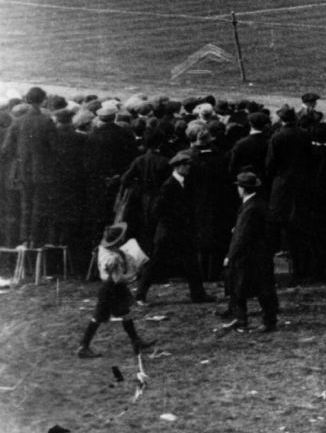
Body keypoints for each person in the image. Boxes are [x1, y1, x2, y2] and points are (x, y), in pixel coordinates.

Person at [134, 151, 208, 304]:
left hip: (179, 231)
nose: (189, 168)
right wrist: (172, 223)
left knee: (192, 262)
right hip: (168, 233)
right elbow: (158, 210)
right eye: (186, 165)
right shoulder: (169, 185)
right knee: (155, 264)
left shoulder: (183, 182)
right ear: (178, 167)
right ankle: (140, 294)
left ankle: (198, 294)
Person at [77, 223, 152, 358]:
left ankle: (136, 341)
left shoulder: (107, 250)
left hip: (114, 289)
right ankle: (84, 346)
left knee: (126, 314)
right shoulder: (113, 258)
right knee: (98, 317)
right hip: (110, 290)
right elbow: (118, 279)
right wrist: (134, 276)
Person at [222, 171, 277, 333]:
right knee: (257, 288)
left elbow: (242, 235)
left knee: (251, 288)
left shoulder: (250, 207)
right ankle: (246, 320)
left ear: (242, 188)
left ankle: (259, 321)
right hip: (258, 253)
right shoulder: (256, 203)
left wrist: (230, 256)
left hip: (250, 255)